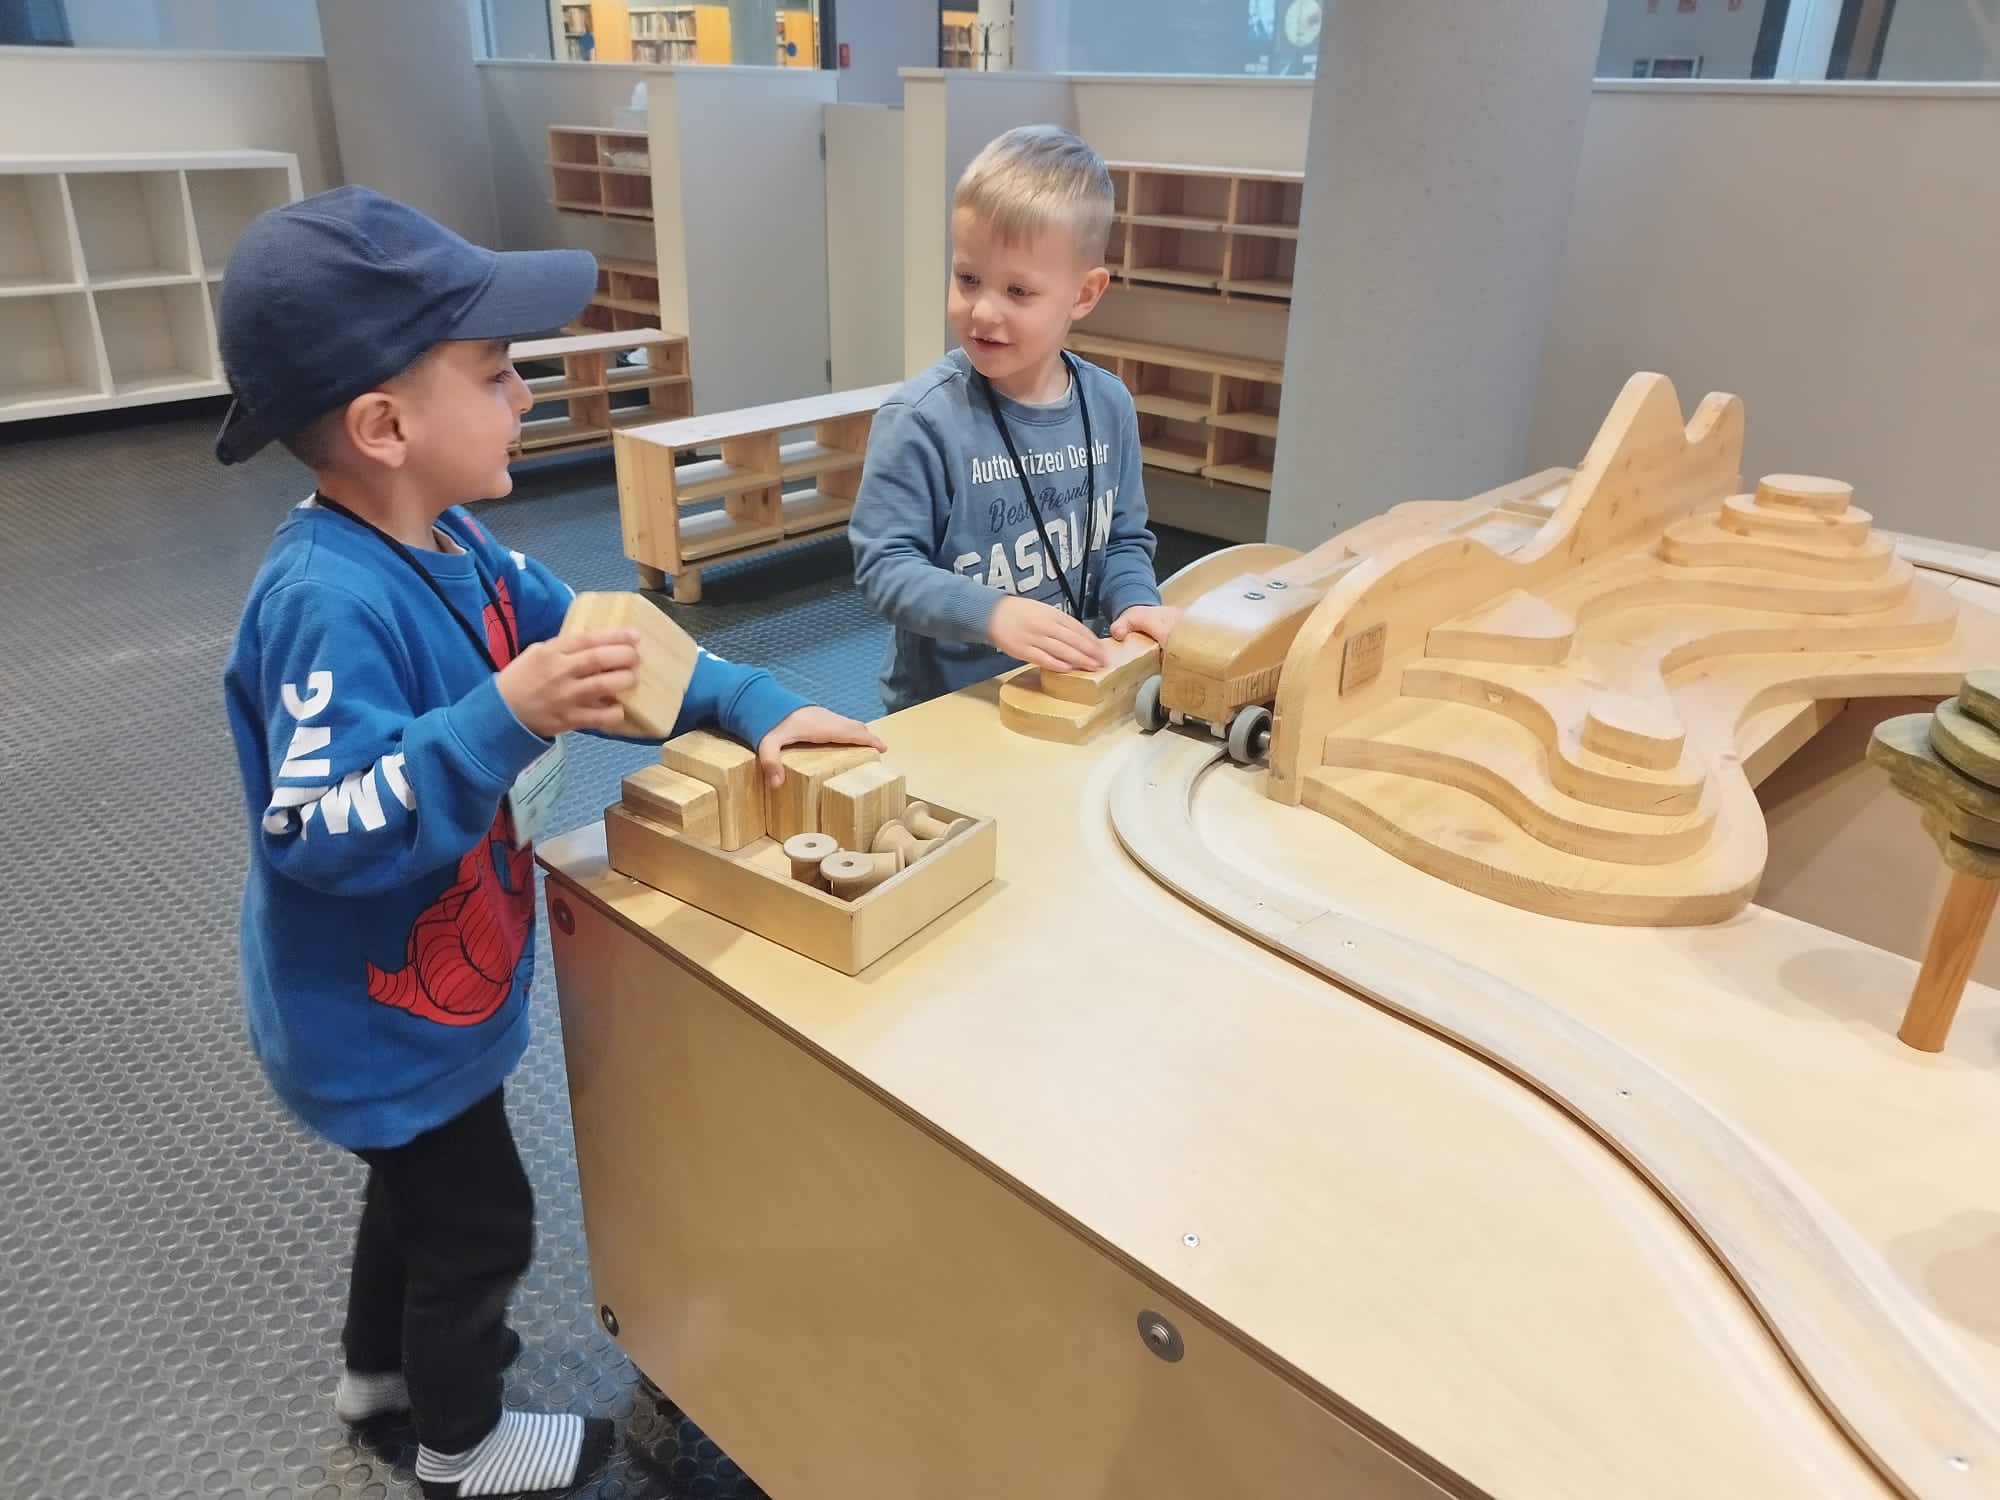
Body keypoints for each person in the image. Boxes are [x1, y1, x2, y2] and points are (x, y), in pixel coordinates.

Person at [215, 186, 882, 1500]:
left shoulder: (457, 541)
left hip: (435, 995)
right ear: (385, 427)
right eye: (495, 374)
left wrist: (751, 702)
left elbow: (603, 641)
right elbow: (317, 828)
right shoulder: (326, 604)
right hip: (375, 1018)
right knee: (478, 1226)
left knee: (415, 1198)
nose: (524, 396)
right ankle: (459, 1447)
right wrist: (499, 718)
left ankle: (380, 1379)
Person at [849, 124, 1181, 714]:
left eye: (1018, 291)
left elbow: (1124, 540)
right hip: (947, 710)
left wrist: (1134, 601)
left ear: (1084, 294)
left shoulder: (1109, 405)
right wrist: (992, 613)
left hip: (1062, 690)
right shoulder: (920, 421)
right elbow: (885, 569)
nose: (982, 310)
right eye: (968, 278)